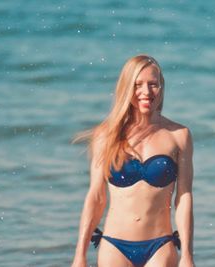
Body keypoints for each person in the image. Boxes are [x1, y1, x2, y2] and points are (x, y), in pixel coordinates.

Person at [71, 55, 194, 267]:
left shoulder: (179, 135)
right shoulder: (106, 135)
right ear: (126, 87)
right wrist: (79, 255)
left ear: (161, 87)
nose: (146, 92)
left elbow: (183, 198)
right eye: (138, 85)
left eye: (153, 84)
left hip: (160, 246)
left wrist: (187, 255)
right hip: (114, 246)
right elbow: (96, 197)